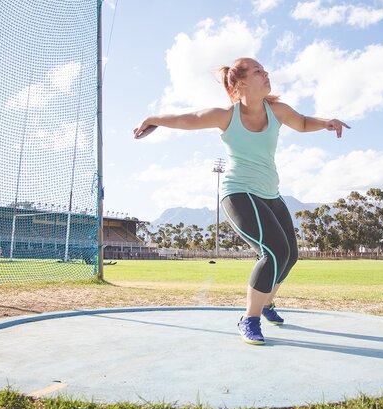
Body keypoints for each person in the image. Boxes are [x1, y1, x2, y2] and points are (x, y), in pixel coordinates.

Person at [134, 57, 349, 345]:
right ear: (241, 82)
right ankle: (249, 318)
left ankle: (267, 303)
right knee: (273, 251)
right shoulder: (227, 116)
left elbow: (303, 122)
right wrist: (153, 119)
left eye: (265, 70)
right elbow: (191, 118)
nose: (266, 73)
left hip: (271, 194)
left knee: (290, 255)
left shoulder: (278, 111)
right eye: (258, 71)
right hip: (239, 193)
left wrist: (326, 123)